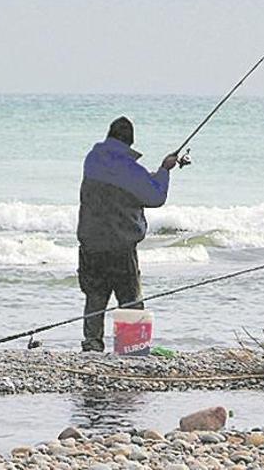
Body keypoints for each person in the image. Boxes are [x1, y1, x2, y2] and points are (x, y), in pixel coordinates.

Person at [76, 117, 178, 352]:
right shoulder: (131, 170)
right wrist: (164, 170)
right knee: (130, 299)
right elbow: (154, 197)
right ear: (130, 142)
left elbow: (122, 183)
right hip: (120, 245)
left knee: (95, 297)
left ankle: (92, 346)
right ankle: (131, 347)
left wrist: (152, 176)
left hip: (90, 242)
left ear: (109, 136)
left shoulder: (92, 160)